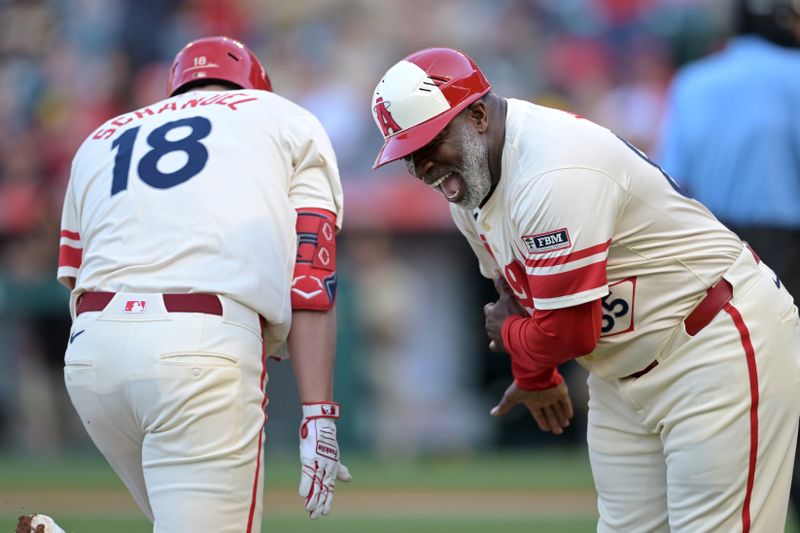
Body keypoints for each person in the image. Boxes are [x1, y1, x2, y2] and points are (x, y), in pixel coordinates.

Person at [370, 47, 800, 531]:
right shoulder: (467, 183)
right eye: (408, 156)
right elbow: (512, 289)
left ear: (476, 115)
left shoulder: (553, 170)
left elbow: (572, 334)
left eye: (429, 144)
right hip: (622, 371)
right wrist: (534, 376)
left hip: (711, 342)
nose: (422, 167)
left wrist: (513, 336)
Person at [54, 36, 349, 533]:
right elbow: (311, 277)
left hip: (91, 354)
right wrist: (319, 412)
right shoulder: (282, 116)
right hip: (199, 348)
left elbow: (74, 273)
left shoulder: (102, 136)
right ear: (255, 86)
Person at [658, 0, 800, 518]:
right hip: (788, 244)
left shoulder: (694, 81)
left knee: (722, 389)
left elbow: (673, 183)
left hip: (711, 247)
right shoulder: (795, 74)